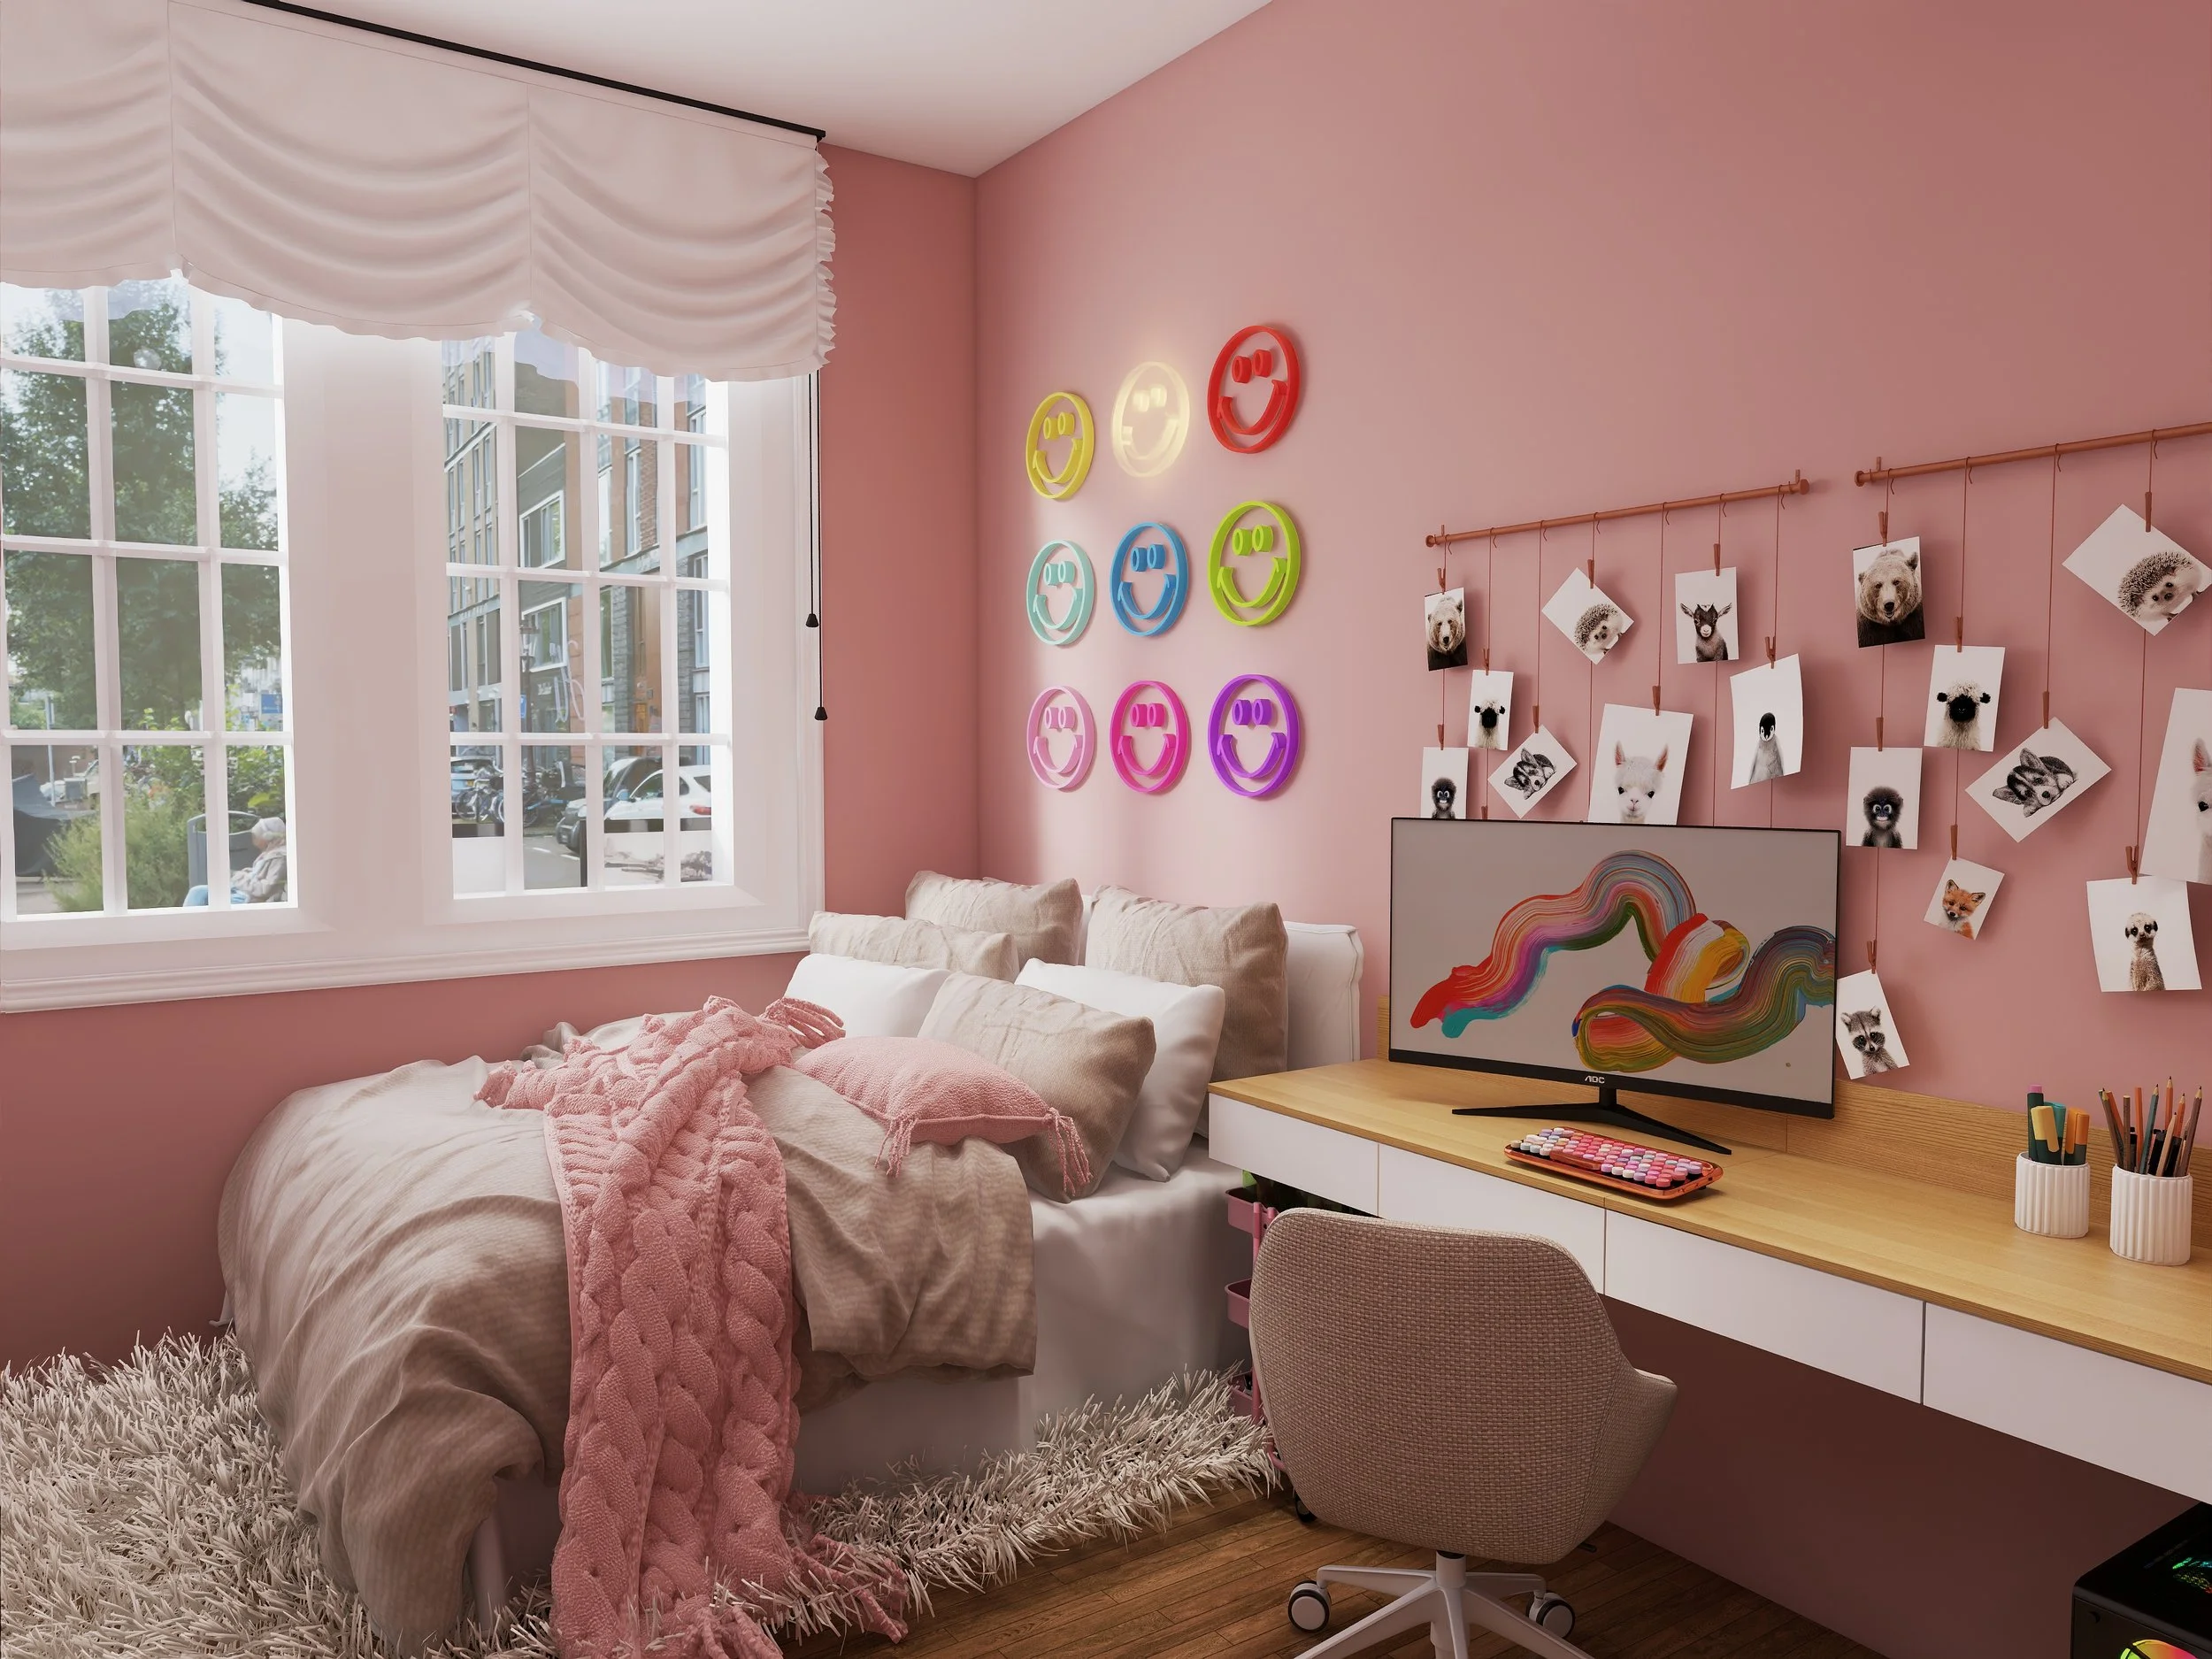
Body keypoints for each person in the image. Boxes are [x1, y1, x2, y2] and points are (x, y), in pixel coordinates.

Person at [184, 818, 288, 906]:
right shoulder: (269, 853)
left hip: (249, 900)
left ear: (268, 837)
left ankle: (190, 923)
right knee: (197, 892)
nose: (253, 840)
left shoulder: (279, 858)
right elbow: (258, 874)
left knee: (203, 899)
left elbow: (264, 889)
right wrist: (245, 873)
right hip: (243, 893)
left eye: (256, 837)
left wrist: (238, 877)